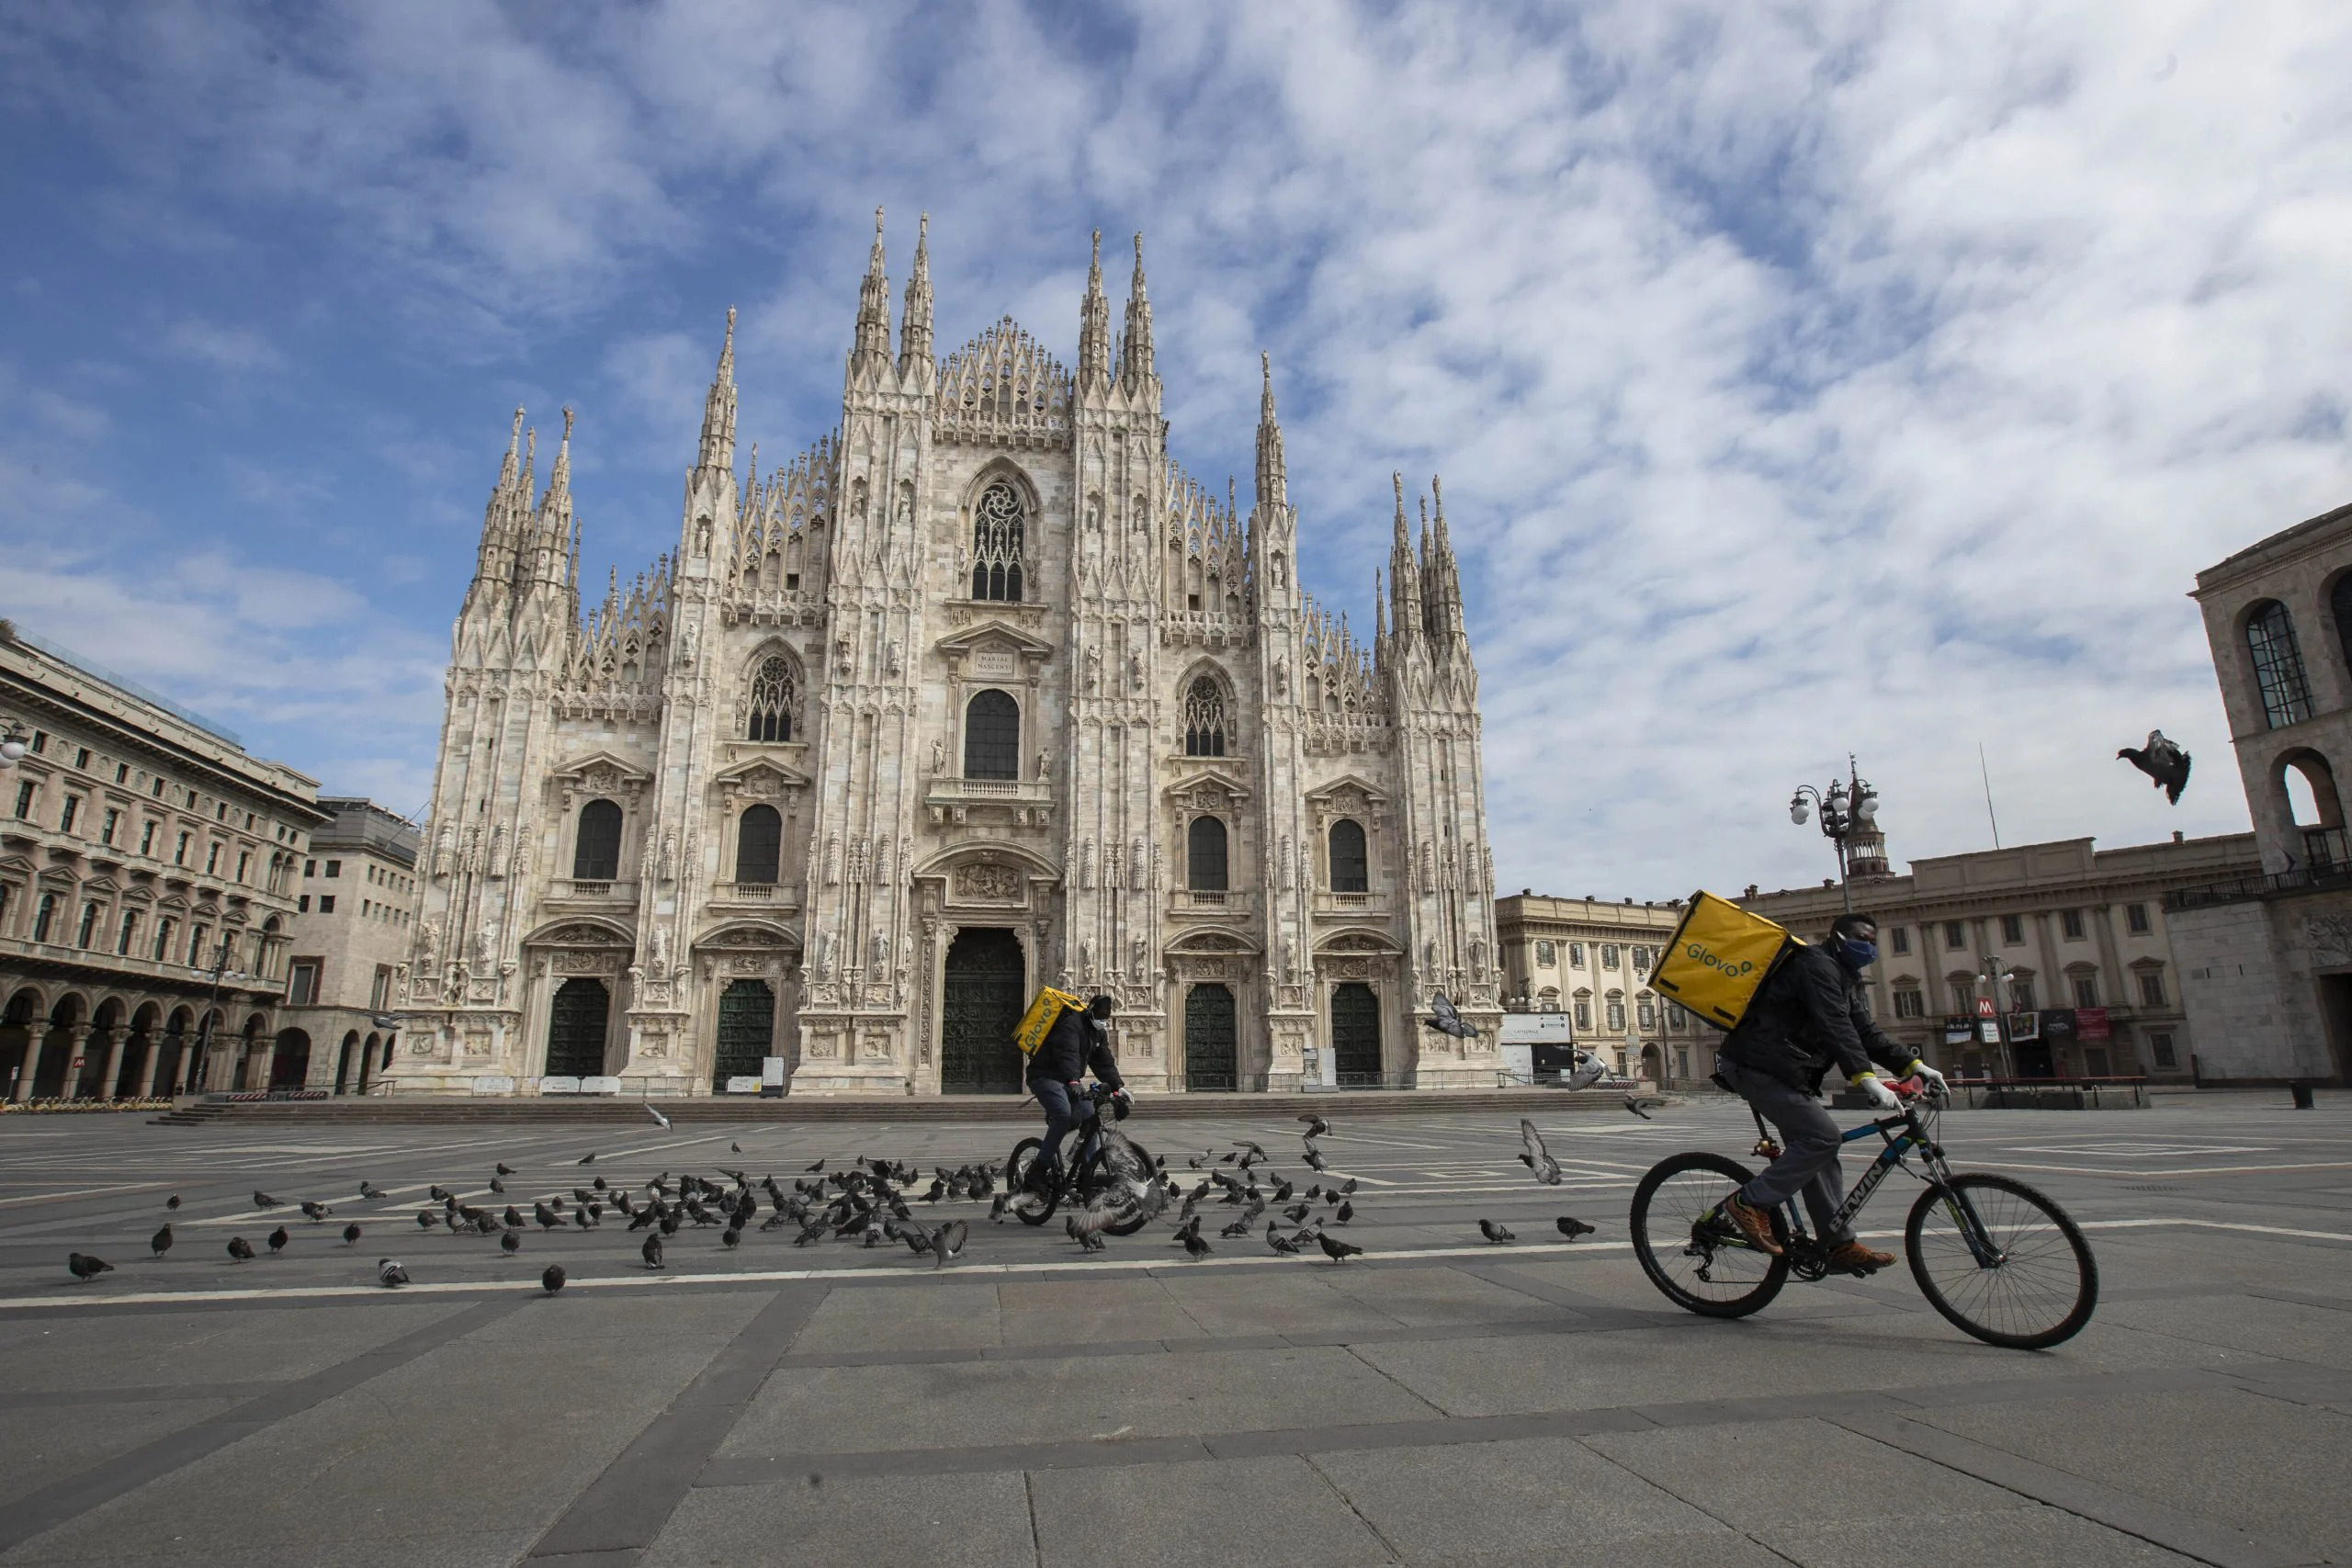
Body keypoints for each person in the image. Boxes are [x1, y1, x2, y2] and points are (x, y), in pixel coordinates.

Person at [1714, 912, 1944, 1271]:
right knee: (1822, 1138)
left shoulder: (1844, 977)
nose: (1868, 946)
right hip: (1756, 1064)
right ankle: (1749, 1203)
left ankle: (1836, 1244)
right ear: (1837, 937)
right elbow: (1834, 1024)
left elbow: (1865, 1032)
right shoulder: (1815, 965)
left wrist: (1914, 1067)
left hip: (1786, 1070)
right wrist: (1865, 1077)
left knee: (1820, 1149)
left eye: (1872, 940)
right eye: (1861, 938)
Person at [1026, 994, 1128, 1190]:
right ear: (1089, 1010)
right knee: (1064, 1116)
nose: (1102, 1021)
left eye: (1106, 1018)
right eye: (1100, 1016)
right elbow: (1069, 1052)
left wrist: (1118, 1087)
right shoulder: (1072, 1023)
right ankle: (1038, 1170)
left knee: (1090, 1115)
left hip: (1069, 1080)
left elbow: (1104, 1062)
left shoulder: (1098, 1032)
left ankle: (1086, 1174)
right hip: (1045, 1075)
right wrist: (1074, 1080)